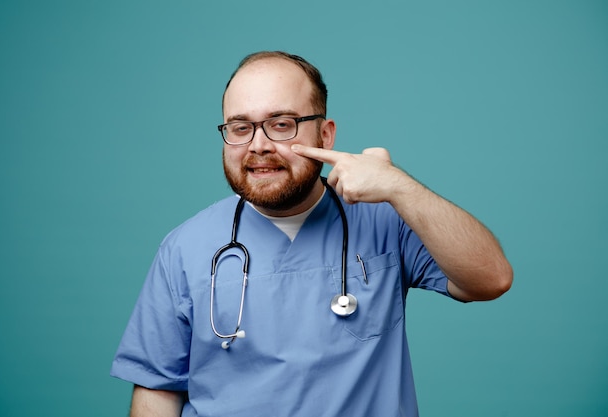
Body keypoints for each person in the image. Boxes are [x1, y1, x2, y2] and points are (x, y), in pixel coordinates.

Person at [111, 51, 513, 417]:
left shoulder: (385, 219)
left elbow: (490, 279)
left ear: (326, 135)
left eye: (281, 125)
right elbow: (157, 391)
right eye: (240, 128)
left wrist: (399, 187)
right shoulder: (184, 248)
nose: (259, 145)